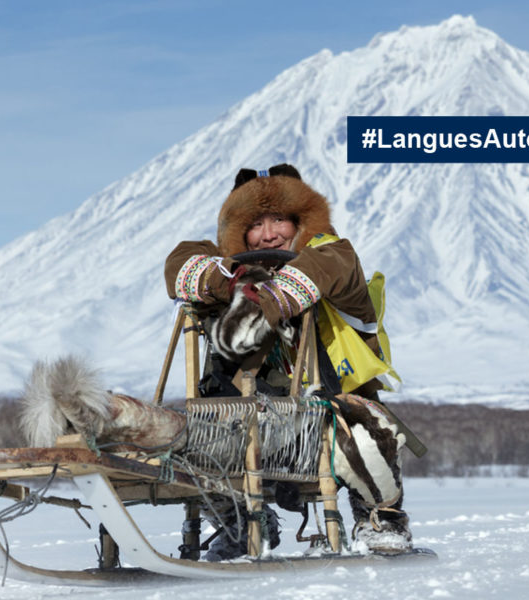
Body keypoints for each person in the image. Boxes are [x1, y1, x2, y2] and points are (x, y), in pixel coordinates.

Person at [164, 164, 413, 559]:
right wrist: (233, 279)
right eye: (255, 224)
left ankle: (381, 520)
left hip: (331, 412)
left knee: (368, 438)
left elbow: (324, 267)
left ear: (300, 221)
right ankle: (243, 526)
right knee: (192, 442)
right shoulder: (226, 263)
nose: (268, 234)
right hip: (251, 417)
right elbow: (180, 264)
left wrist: (263, 300)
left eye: (279, 219)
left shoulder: (335, 253)